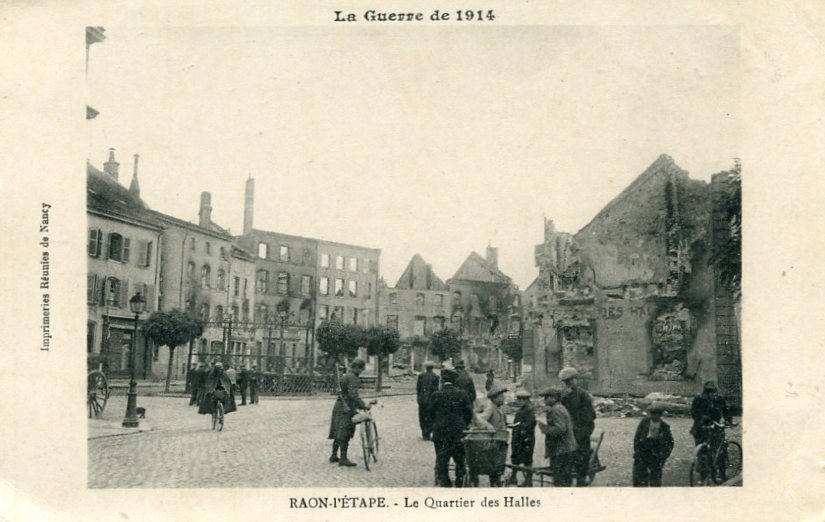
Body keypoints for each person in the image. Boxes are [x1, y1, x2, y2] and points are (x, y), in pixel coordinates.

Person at [429, 368, 473, 487]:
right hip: (458, 431)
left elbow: (430, 413)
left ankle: (444, 480)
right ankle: (459, 478)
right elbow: (469, 413)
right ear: (455, 381)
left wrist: (436, 425)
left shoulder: (435, 395)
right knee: (459, 456)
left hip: (440, 431)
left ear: (442, 380)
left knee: (442, 456)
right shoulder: (462, 394)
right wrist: (465, 424)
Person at [328, 358, 371, 467]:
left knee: (338, 431)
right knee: (344, 433)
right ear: (356, 367)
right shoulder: (352, 378)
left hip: (339, 406)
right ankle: (343, 459)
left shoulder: (345, 375)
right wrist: (364, 405)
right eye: (361, 369)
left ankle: (334, 455)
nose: (361, 372)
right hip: (346, 408)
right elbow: (353, 395)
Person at [559, 367, 596, 486]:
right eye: (566, 382)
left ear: (576, 379)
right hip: (569, 430)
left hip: (582, 430)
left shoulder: (583, 395)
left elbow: (590, 415)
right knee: (567, 456)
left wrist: (581, 428)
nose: (568, 384)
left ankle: (581, 480)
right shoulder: (564, 395)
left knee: (582, 456)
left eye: (570, 381)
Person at [538, 387, 578, 487]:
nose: (545, 400)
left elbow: (560, 429)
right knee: (565, 478)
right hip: (566, 448)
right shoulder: (560, 408)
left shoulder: (556, 410)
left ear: (554, 398)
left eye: (547, 397)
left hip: (561, 449)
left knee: (560, 479)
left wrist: (545, 429)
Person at [473, 385, 510, 487]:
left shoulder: (498, 408)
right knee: (494, 463)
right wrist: (489, 427)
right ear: (495, 398)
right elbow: (480, 419)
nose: (503, 398)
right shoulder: (490, 408)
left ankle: (495, 482)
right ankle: (494, 483)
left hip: (500, 440)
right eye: (501, 396)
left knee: (498, 463)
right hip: (494, 441)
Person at [632, 402, 674, 487]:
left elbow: (670, 442)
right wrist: (637, 451)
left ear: (660, 414)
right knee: (639, 477)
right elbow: (637, 438)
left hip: (656, 452)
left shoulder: (665, 427)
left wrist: (664, 456)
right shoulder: (644, 423)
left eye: (656, 413)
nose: (653, 416)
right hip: (643, 451)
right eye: (652, 413)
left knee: (655, 479)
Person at [507, 390, 537, 487]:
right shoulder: (524, 409)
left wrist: (519, 427)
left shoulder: (528, 410)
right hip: (521, 438)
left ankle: (527, 480)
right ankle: (515, 477)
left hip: (524, 439)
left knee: (525, 459)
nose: (518, 401)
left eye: (520, 399)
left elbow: (531, 423)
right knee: (519, 458)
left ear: (525, 400)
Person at [690, 380, 733, 445]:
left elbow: (693, 413)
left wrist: (700, 418)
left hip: (700, 426)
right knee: (719, 446)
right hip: (714, 426)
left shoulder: (698, 398)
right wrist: (729, 421)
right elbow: (726, 411)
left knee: (701, 446)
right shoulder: (719, 398)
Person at [416, 361, 441, 440]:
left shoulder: (421, 376)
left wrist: (419, 398)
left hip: (422, 400)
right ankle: (430, 432)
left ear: (426, 368)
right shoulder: (436, 377)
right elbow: (436, 389)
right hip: (431, 400)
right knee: (431, 416)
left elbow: (418, 388)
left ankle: (424, 433)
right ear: (432, 368)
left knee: (422, 416)